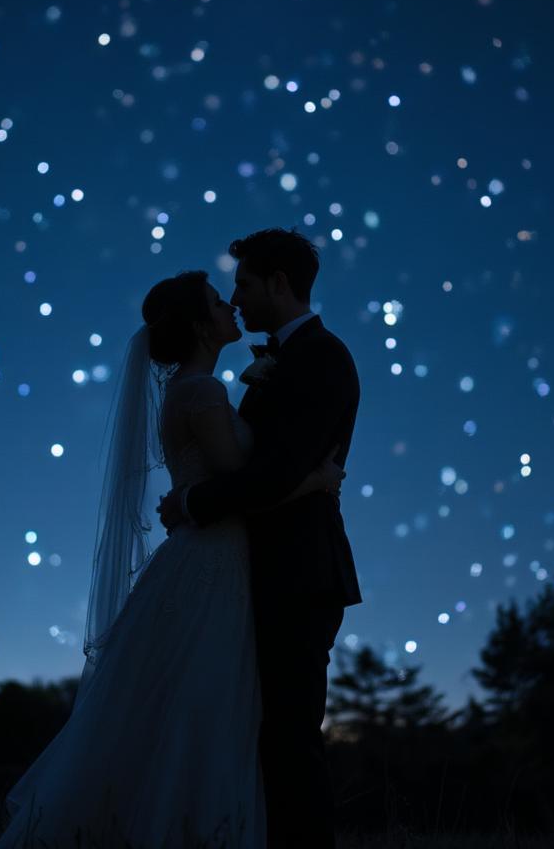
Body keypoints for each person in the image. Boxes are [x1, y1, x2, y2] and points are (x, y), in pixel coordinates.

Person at [0, 267, 344, 849]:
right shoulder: (202, 391)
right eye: (216, 301)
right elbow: (238, 476)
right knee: (202, 703)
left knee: (190, 700)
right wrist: (315, 482)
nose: (230, 304)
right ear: (201, 326)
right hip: (212, 560)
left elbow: (222, 479)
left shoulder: (197, 388)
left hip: (212, 555)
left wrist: (187, 498)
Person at [158, 228, 362, 849]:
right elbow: (259, 471)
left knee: (290, 736)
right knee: (260, 732)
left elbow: (273, 476)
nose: (236, 298)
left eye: (243, 285)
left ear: (278, 283)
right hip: (257, 572)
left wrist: (192, 501)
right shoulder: (273, 363)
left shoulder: (323, 358)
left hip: (300, 574)